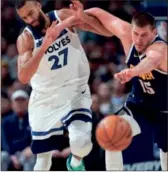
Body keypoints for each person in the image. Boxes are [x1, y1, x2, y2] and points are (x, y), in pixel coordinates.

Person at [15, 0, 112, 171]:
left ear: (38, 5)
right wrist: (45, 44)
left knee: (82, 144)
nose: (29, 19)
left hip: (75, 90)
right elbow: (23, 77)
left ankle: (75, 164)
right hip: (46, 98)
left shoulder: (62, 16)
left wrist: (83, 17)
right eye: (24, 18)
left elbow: (107, 32)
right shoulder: (26, 38)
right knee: (43, 162)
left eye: (30, 13)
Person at [71, 1, 167, 170]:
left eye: (144, 35)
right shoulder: (127, 34)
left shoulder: (160, 49)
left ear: (154, 32)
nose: (138, 39)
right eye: (136, 33)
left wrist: (132, 72)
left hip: (165, 109)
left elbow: (151, 61)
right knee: (111, 134)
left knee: (165, 152)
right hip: (140, 105)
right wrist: (82, 14)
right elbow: (101, 15)